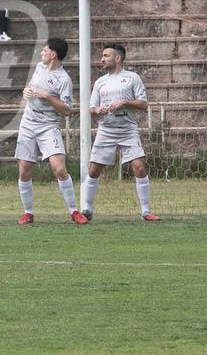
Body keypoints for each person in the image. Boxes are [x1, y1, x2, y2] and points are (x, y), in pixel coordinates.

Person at [84, 44, 160, 221]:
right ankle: (87, 208)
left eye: (106, 56)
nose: (102, 59)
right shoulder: (100, 82)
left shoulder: (132, 78)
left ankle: (146, 211)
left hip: (128, 130)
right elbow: (91, 109)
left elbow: (143, 104)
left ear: (117, 58)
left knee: (139, 167)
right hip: (106, 130)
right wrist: (98, 110)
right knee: (94, 169)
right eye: (102, 56)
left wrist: (124, 102)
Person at [15, 38, 82, 225]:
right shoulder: (39, 67)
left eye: (44, 50)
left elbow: (67, 111)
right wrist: (26, 92)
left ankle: (74, 210)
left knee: (59, 168)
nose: (41, 53)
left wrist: (48, 97)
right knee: (24, 169)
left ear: (53, 55)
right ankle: (28, 212)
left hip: (48, 126)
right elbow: (30, 87)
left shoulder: (64, 80)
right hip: (28, 124)